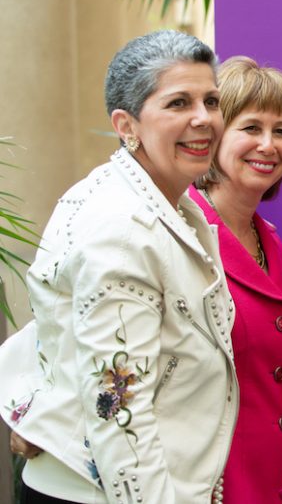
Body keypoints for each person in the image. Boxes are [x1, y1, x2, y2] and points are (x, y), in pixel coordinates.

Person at [0, 30, 237, 503]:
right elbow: (119, 412)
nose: (203, 119)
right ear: (126, 125)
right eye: (178, 103)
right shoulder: (121, 229)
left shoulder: (145, 196)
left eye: (211, 100)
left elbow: (58, 315)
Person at [189, 56, 282, 503]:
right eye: (251, 128)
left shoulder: (271, 240)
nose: (268, 145)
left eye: (281, 131)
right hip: (205, 480)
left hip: (270, 478)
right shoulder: (179, 232)